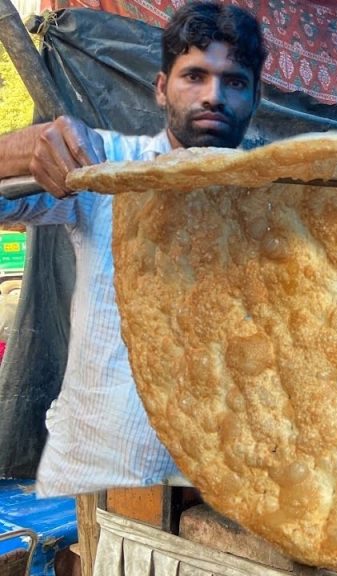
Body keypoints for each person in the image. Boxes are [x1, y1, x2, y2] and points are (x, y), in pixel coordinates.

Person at [0, 1, 266, 496]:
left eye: (233, 81)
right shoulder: (105, 165)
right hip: (96, 481)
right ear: (161, 88)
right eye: (195, 76)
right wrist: (18, 150)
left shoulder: (279, 199)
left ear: (254, 97)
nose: (214, 96)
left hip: (215, 497)